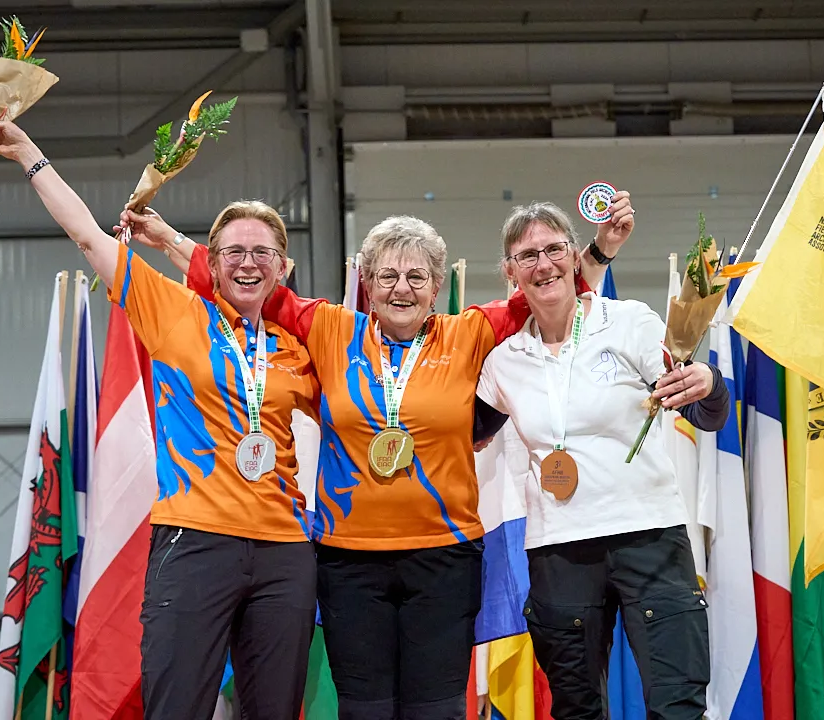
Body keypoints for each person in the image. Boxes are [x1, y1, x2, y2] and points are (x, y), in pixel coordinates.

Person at [119, 196, 635, 720]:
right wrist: (168, 240)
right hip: (348, 563)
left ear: (436, 288)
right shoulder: (330, 330)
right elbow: (249, 280)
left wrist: (600, 249)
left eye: (416, 276)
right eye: (386, 276)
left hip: (444, 558)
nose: (401, 288)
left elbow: (548, 292)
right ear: (366, 285)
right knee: (365, 712)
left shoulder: (470, 332)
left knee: (435, 711)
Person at [0, 119, 321, 720]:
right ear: (210, 265)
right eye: (232, 252)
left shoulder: (301, 347)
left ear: (283, 269)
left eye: (262, 253)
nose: (247, 263)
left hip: (285, 553)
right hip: (194, 542)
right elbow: (85, 233)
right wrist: (28, 150)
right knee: (177, 707)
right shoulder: (173, 311)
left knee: (275, 710)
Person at [475, 202, 729, 720]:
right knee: (575, 709)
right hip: (558, 551)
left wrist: (709, 383)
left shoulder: (629, 322)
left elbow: (702, 409)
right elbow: (469, 433)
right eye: (527, 256)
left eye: (552, 250)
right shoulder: (502, 361)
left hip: (650, 536)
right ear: (510, 271)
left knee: (678, 702)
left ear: (573, 257)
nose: (542, 265)